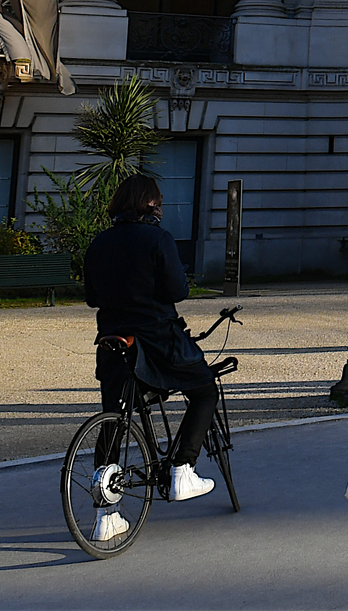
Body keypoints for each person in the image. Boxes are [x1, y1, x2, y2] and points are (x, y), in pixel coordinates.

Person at [84, 174, 219, 523]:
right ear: (150, 204)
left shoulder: (99, 243)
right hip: (158, 341)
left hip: (113, 341)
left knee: (113, 419)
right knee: (204, 390)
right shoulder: (159, 239)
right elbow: (178, 291)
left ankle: (105, 518)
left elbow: (91, 298)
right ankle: (182, 469)